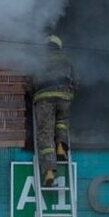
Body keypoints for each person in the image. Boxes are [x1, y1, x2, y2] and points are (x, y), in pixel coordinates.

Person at [33, 34, 76, 186]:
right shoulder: (67, 61)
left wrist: (31, 93)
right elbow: (76, 81)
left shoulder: (39, 61)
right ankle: (60, 148)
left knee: (45, 133)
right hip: (64, 97)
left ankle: (49, 171)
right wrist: (71, 95)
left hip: (45, 98)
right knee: (62, 122)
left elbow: (30, 81)